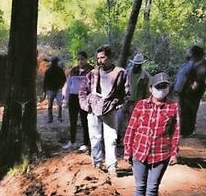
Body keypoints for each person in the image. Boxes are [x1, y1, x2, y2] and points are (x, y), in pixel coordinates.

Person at [123, 73, 180, 196]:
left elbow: (176, 131)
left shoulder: (173, 107)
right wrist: (127, 150)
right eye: (158, 87)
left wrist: (174, 153)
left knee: (152, 187)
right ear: (151, 89)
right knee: (140, 186)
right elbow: (131, 128)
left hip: (161, 153)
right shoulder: (141, 105)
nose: (161, 90)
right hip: (139, 151)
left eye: (165, 87)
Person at [79, 45, 127, 173]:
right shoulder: (93, 73)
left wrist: (118, 104)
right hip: (93, 108)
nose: (100, 60)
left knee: (111, 138)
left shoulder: (120, 72)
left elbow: (126, 92)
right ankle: (97, 163)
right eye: (98, 58)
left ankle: (112, 166)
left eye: (103, 57)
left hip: (110, 108)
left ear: (110, 57)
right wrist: (86, 105)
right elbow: (82, 91)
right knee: (95, 137)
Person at [174, 45, 206, 137]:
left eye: (189, 51)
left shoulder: (201, 63)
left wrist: (191, 91)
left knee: (190, 112)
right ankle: (182, 131)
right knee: (183, 112)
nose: (187, 53)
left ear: (194, 53)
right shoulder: (189, 62)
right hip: (183, 92)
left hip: (191, 94)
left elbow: (199, 79)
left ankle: (188, 132)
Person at [120, 52, 152, 140]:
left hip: (137, 102)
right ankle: (118, 137)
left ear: (141, 64)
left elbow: (147, 91)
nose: (137, 66)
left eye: (139, 64)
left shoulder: (145, 76)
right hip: (125, 100)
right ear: (133, 63)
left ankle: (129, 139)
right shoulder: (126, 72)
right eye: (135, 64)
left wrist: (146, 103)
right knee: (119, 118)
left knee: (132, 121)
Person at [65, 51, 93, 151]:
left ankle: (86, 143)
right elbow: (68, 86)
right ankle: (72, 141)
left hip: (85, 98)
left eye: (82, 59)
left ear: (86, 59)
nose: (80, 61)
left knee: (84, 121)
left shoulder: (91, 70)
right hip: (73, 97)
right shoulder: (73, 71)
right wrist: (66, 99)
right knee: (72, 121)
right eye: (78, 59)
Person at [43, 56, 66, 123]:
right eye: (53, 62)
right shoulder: (49, 70)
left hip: (56, 89)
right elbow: (45, 81)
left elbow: (64, 79)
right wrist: (45, 91)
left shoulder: (58, 70)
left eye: (54, 62)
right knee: (53, 105)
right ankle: (54, 118)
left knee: (58, 104)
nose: (54, 63)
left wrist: (61, 86)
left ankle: (56, 118)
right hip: (51, 89)